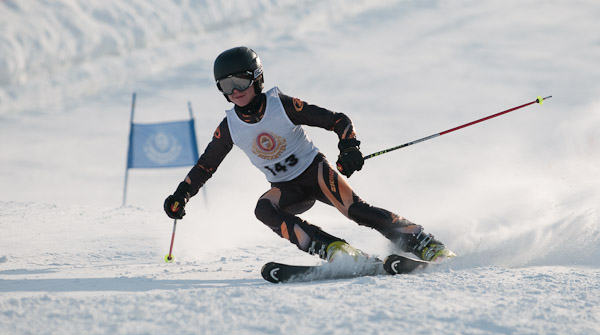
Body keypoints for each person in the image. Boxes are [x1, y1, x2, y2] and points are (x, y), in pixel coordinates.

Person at [164, 46, 455, 262]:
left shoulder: (281, 106)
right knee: (263, 209)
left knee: (355, 210)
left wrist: (349, 146)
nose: (235, 91)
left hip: (316, 173)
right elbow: (205, 166)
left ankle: (423, 242)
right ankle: (335, 250)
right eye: (226, 86)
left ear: (256, 78)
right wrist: (181, 194)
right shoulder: (229, 127)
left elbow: (337, 120)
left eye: (239, 81)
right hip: (286, 190)